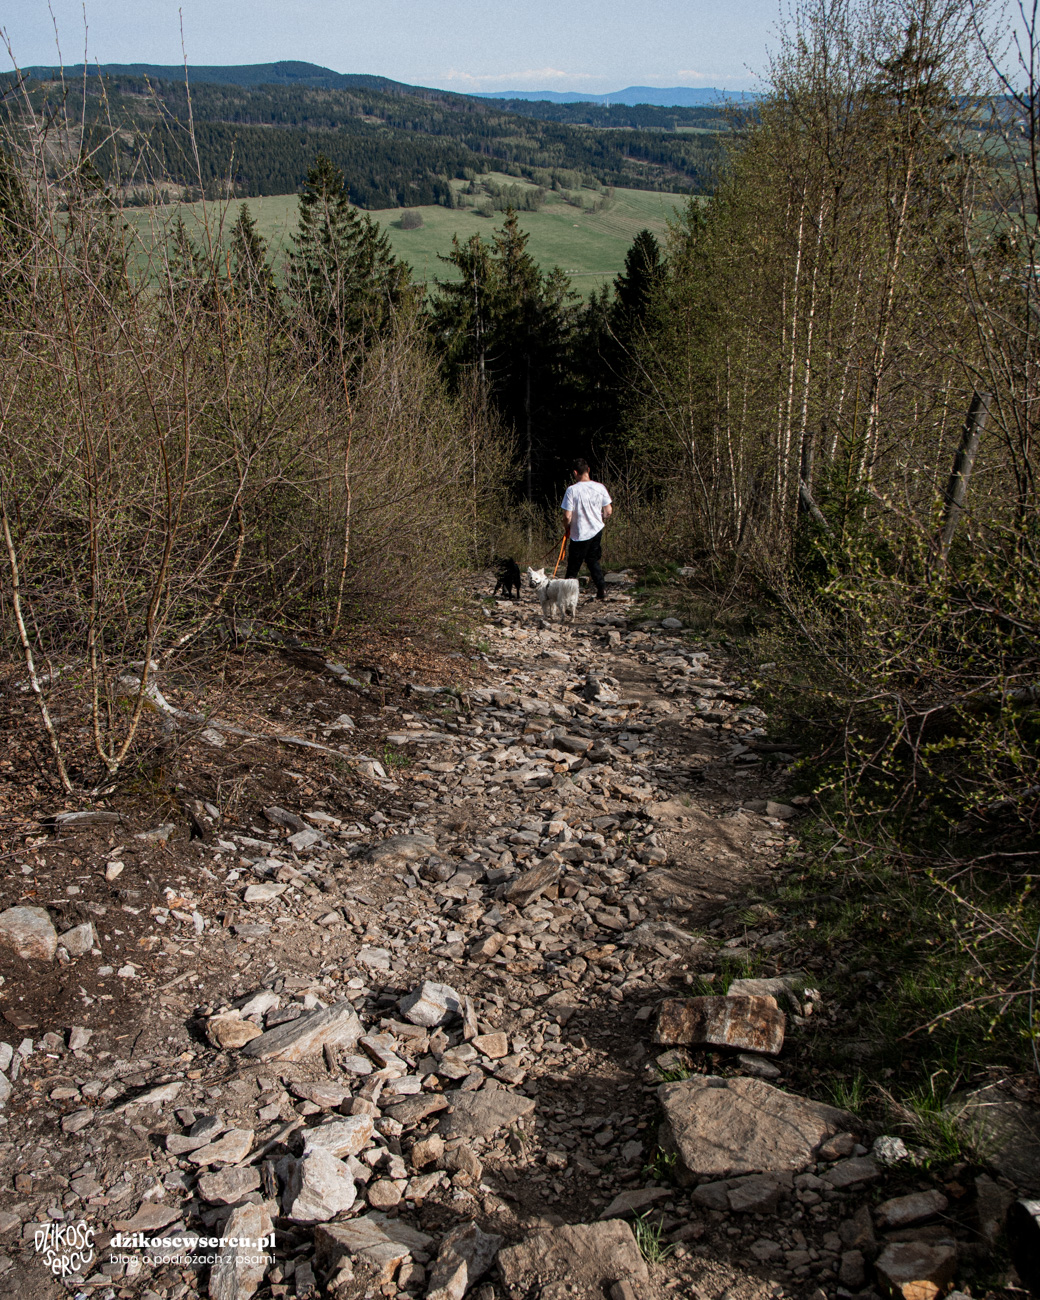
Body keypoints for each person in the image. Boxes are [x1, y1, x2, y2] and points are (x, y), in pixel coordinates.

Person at [561, 459, 612, 599]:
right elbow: (608, 511)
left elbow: (567, 515)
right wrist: (599, 517)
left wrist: (567, 527)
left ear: (575, 472)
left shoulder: (572, 490)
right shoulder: (600, 487)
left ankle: (566, 594)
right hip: (596, 529)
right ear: (588, 470)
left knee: (574, 565)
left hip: (579, 533)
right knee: (592, 560)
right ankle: (601, 588)